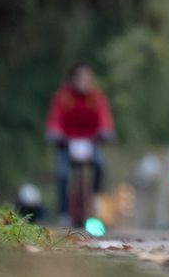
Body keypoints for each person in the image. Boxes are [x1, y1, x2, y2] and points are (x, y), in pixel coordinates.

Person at [45, 63, 116, 220]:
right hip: (67, 142)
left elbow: (104, 118)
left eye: (88, 78)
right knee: (62, 173)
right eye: (81, 78)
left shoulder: (96, 97)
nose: (85, 82)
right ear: (73, 79)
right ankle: (63, 211)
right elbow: (55, 119)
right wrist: (55, 132)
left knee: (100, 165)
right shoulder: (63, 97)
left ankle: (97, 198)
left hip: (91, 142)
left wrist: (105, 131)